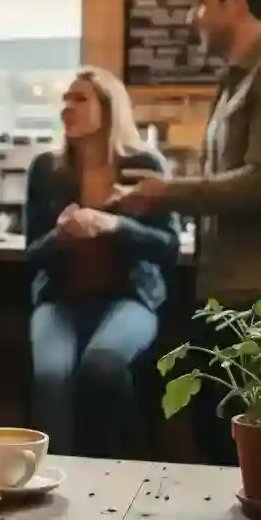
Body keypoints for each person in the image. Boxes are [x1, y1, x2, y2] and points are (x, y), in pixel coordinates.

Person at [111, 0, 261, 466]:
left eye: (200, 2)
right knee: (221, 453)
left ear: (237, 0)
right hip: (229, 295)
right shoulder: (238, 79)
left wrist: (166, 192)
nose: (193, 18)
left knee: (259, 463)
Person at [24, 67, 181, 458]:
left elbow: (168, 246)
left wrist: (115, 225)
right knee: (50, 376)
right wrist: (60, 235)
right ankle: (51, 479)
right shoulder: (46, 170)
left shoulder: (143, 165)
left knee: (102, 367)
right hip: (60, 302)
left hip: (129, 300)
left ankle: (107, 472)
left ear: (109, 109)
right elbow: (31, 255)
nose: (67, 108)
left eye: (79, 99)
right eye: (65, 100)